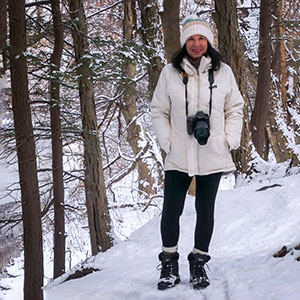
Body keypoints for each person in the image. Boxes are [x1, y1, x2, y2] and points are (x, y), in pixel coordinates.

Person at [151, 14, 244, 290]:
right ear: (184, 42)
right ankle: (169, 263)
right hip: (178, 153)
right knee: (171, 210)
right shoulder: (170, 73)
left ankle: (199, 262)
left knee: (206, 210)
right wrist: (167, 142)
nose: (196, 44)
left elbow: (234, 108)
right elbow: (158, 110)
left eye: (201, 38)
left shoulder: (223, 71)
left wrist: (229, 140)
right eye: (191, 38)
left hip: (212, 151)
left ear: (209, 42)